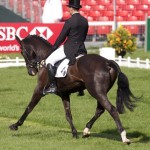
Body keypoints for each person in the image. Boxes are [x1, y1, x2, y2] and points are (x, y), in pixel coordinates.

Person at [43, 0, 89, 94]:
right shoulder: (85, 21)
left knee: (49, 61)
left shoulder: (70, 21)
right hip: (81, 49)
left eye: (69, 8)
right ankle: (80, 89)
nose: (68, 9)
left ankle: (53, 86)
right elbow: (84, 36)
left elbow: (61, 38)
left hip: (69, 48)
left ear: (71, 8)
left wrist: (52, 50)